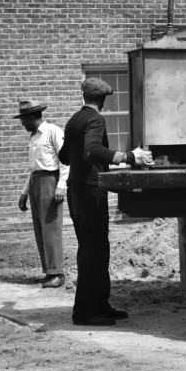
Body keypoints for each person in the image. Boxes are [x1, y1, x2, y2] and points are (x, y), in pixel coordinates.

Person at [59, 77, 154, 327]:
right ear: (103, 100)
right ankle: (85, 313)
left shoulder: (74, 120)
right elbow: (91, 149)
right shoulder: (94, 119)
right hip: (90, 192)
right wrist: (129, 156)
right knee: (93, 252)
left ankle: (99, 305)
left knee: (95, 250)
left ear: (84, 97)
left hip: (76, 191)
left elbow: (64, 156)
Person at [14, 99, 69, 289]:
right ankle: (48, 272)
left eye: (23, 119)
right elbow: (34, 168)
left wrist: (61, 186)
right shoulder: (34, 137)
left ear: (31, 117)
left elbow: (65, 161)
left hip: (50, 182)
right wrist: (24, 193)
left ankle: (57, 273)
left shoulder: (53, 132)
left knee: (51, 229)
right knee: (40, 230)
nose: (22, 123)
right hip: (36, 181)